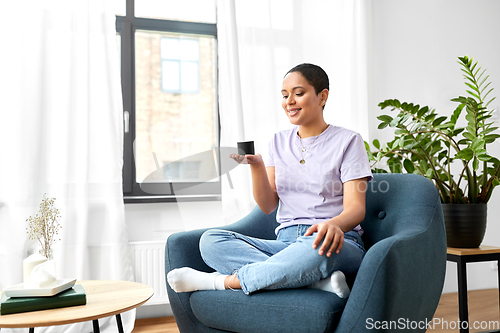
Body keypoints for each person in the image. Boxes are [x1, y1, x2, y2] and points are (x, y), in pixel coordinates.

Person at [167, 63, 372, 298]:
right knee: (211, 241)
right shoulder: (278, 141)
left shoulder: (348, 141)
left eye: (298, 93)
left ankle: (221, 282)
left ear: (322, 96)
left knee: (315, 252)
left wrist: (334, 225)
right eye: (285, 96)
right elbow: (267, 205)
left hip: (334, 241)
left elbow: (356, 209)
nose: (289, 102)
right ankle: (310, 280)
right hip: (285, 242)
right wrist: (257, 167)